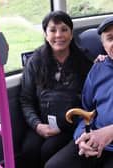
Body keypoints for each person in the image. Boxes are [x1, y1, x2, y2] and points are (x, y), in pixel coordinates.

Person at [20, 10, 94, 168]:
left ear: (71, 33)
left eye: (64, 29)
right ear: (45, 34)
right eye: (53, 30)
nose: (59, 35)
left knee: (49, 149)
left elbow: (93, 99)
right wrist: (37, 125)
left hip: (70, 126)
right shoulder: (35, 61)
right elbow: (26, 99)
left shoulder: (85, 61)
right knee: (29, 150)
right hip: (41, 122)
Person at [45, 16, 113, 168]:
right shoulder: (98, 69)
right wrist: (81, 136)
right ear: (104, 44)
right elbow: (86, 110)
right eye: (110, 38)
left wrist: (109, 132)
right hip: (95, 139)